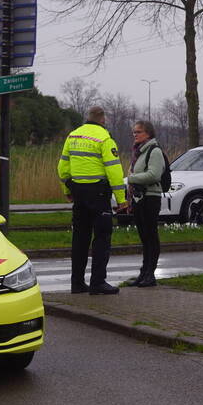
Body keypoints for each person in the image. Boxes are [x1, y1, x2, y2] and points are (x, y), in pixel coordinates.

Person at [57, 106, 127, 295]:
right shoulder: (104, 138)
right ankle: (98, 283)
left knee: (80, 238)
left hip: (78, 192)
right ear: (103, 120)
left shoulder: (73, 136)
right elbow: (114, 170)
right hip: (98, 194)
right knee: (102, 237)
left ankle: (77, 283)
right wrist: (121, 199)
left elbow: (62, 167)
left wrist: (67, 189)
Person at [127, 120, 165, 287]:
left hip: (150, 197)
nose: (135, 134)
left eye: (139, 132)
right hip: (138, 198)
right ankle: (144, 272)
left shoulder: (154, 151)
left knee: (151, 236)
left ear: (148, 134)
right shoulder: (139, 152)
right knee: (144, 237)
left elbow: (154, 175)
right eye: (134, 132)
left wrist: (132, 178)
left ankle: (150, 274)